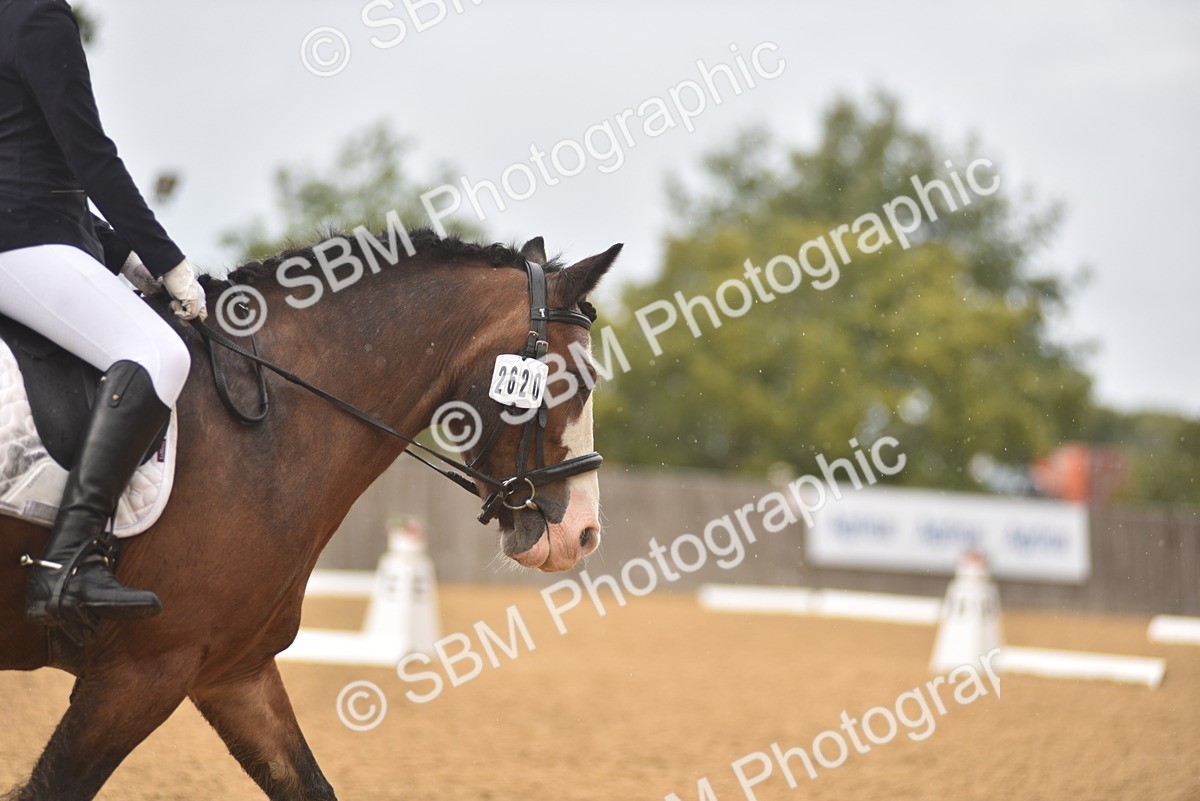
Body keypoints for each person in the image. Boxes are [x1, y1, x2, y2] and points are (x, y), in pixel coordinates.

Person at [0, 0, 206, 633]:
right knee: (162, 355)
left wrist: (126, 256)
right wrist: (169, 262)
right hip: (23, 242)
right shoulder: (38, 15)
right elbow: (89, 156)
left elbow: (35, 168)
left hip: (34, 233)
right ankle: (69, 560)